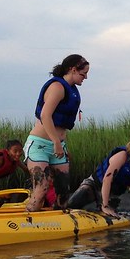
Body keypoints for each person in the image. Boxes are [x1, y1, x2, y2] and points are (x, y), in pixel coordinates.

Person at [24, 54, 89, 211]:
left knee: (63, 193)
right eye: (83, 73)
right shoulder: (57, 87)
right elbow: (45, 115)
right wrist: (56, 142)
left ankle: (58, 224)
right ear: (73, 70)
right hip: (39, 145)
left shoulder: (72, 91)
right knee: (42, 188)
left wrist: (60, 144)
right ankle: (29, 220)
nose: (85, 77)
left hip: (58, 146)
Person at [67, 136, 130, 217]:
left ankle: (102, 207)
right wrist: (105, 205)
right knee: (73, 204)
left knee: (108, 215)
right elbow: (107, 179)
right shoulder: (122, 156)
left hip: (112, 193)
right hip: (95, 185)